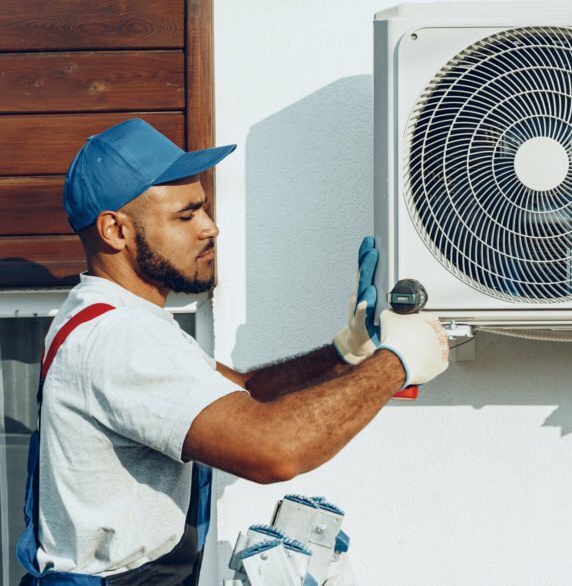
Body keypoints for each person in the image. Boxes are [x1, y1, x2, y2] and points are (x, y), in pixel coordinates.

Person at [16, 118, 450, 584]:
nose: (211, 228)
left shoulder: (114, 317)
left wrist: (346, 353)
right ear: (115, 231)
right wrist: (395, 364)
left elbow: (244, 394)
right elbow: (273, 451)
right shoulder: (120, 338)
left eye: (203, 210)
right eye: (185, 216)